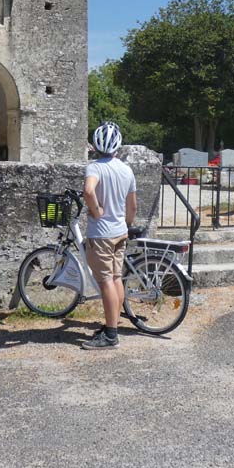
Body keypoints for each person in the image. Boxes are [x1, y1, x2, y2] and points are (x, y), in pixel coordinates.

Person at [81, 122, 137, 350]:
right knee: (115, 279)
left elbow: (88, 190)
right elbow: (132, 207)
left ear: (95, 145)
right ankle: (112, 324)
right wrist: (126, 223)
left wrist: (96, 211)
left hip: (100, 234)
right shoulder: (126, 170)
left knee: (105, 282)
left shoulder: (94, 168)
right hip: (119, 232)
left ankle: (111, 335)